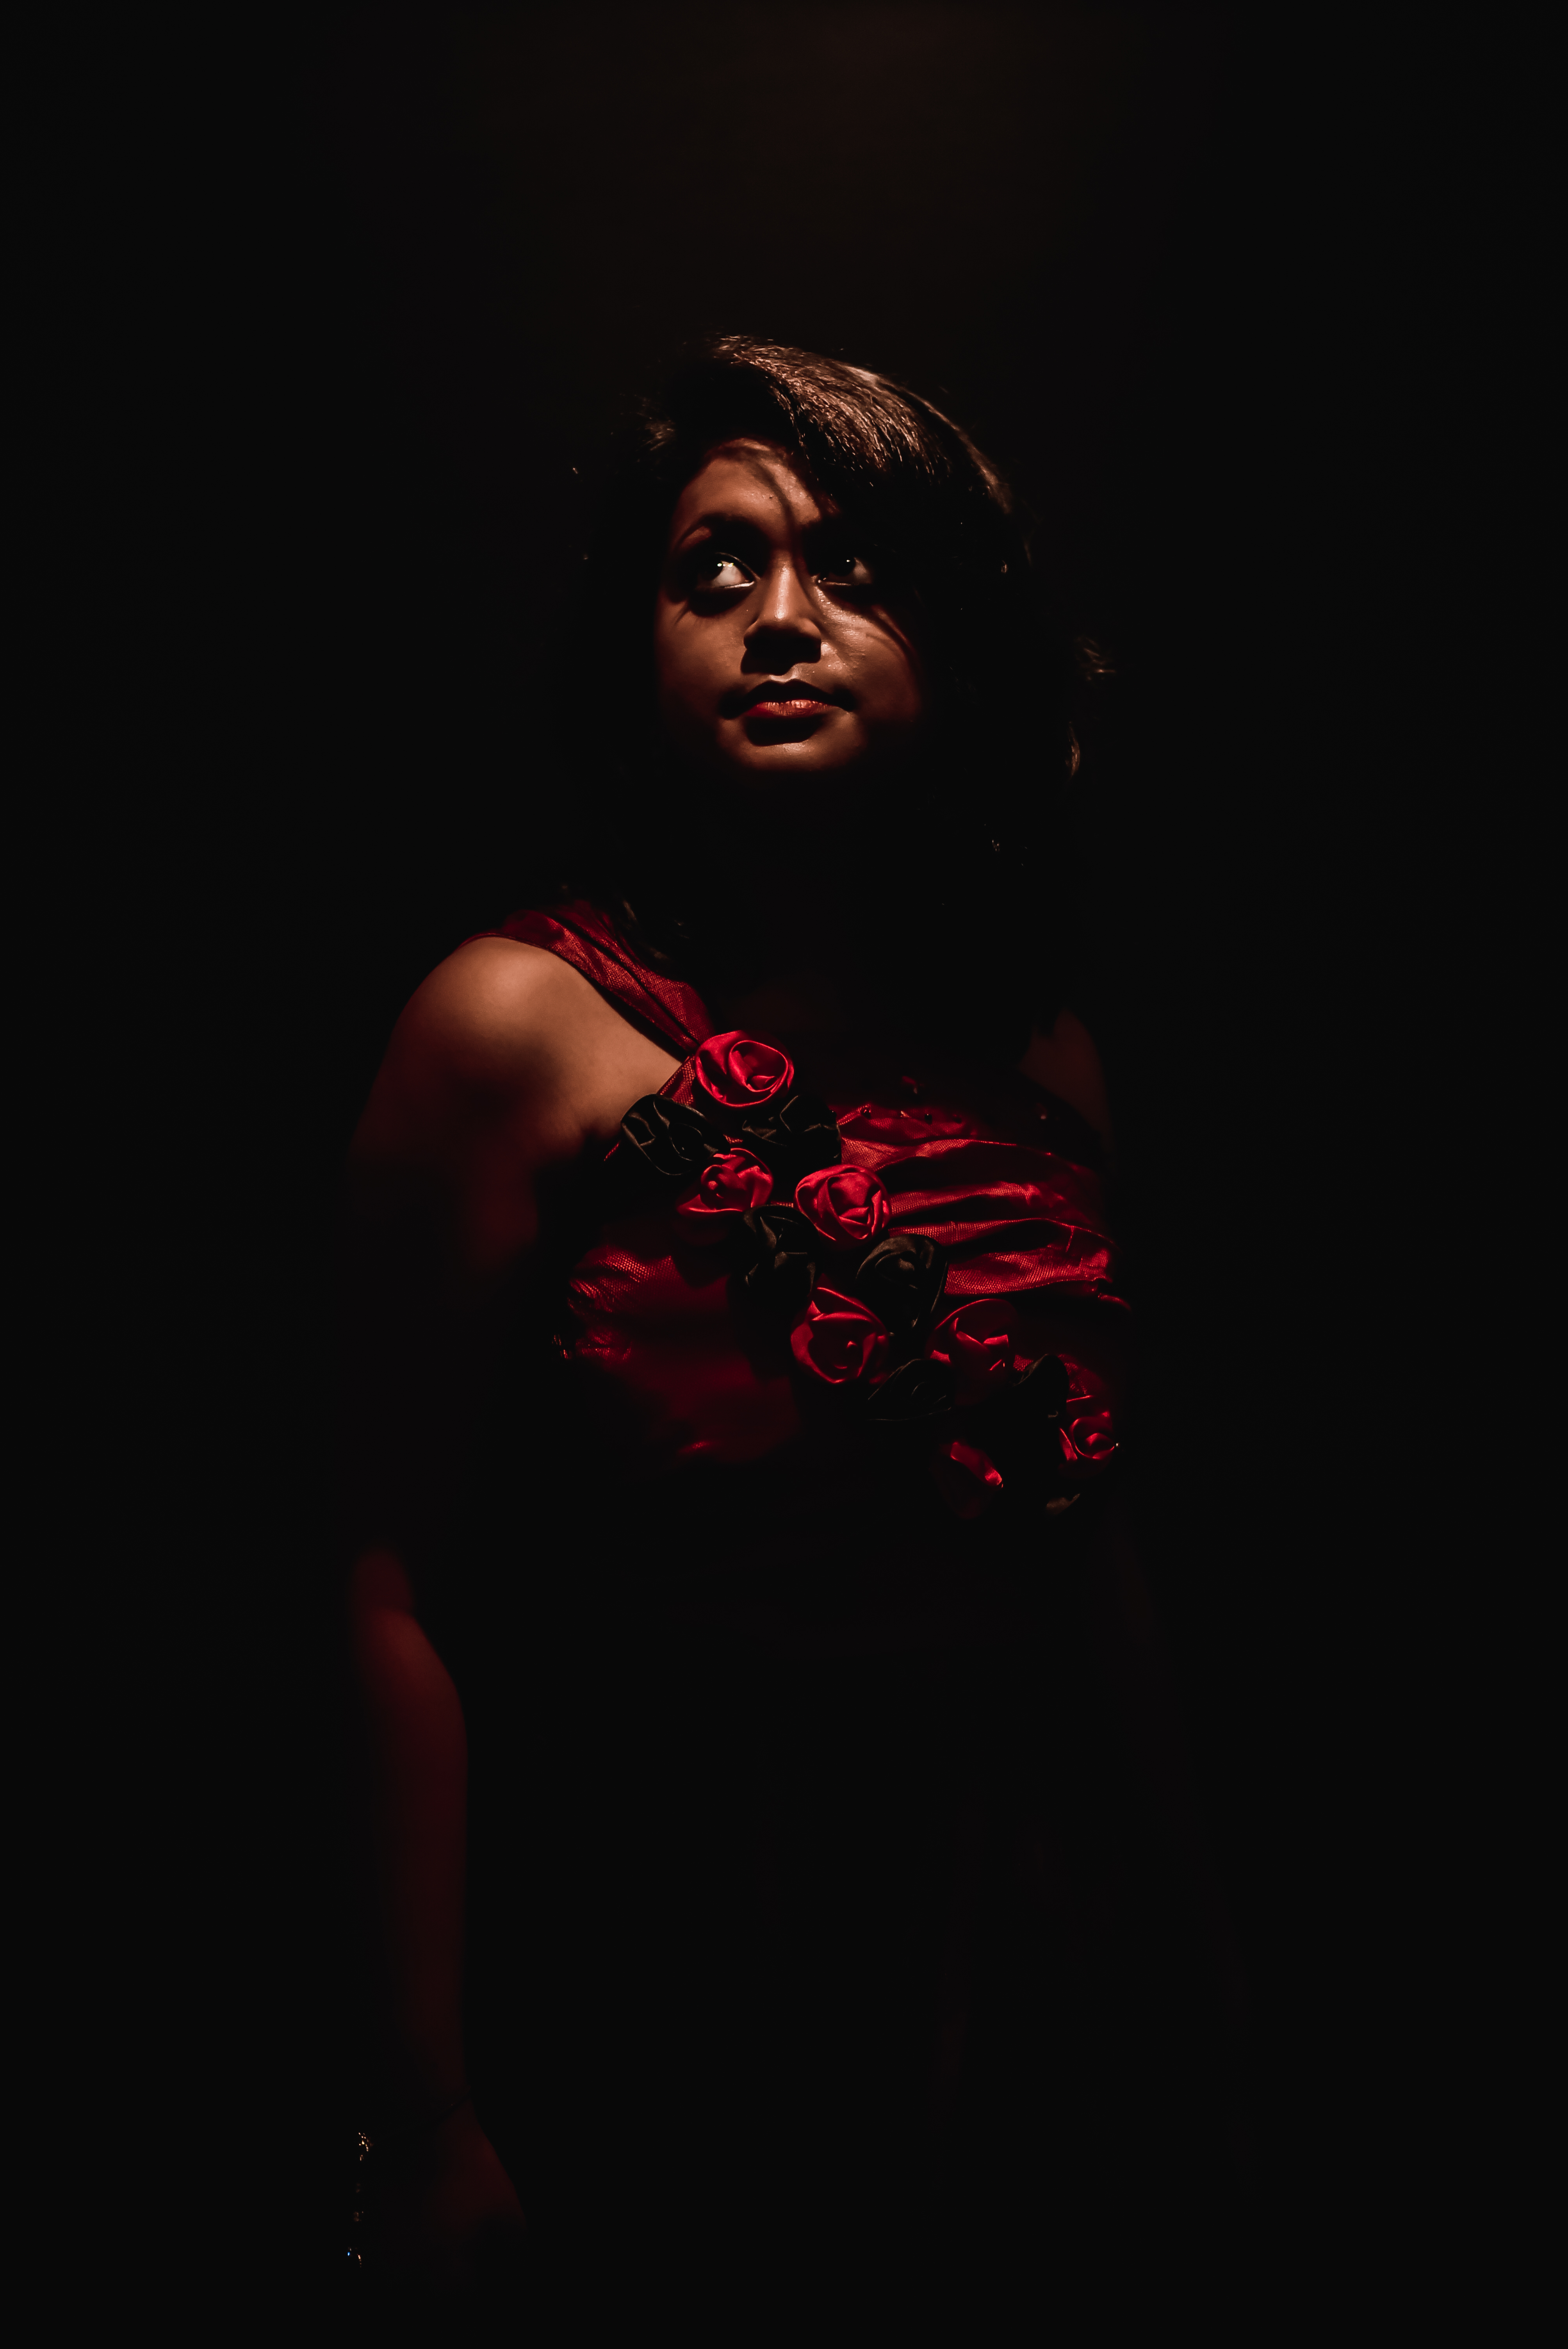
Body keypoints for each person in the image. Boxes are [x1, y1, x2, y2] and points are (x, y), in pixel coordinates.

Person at [337, 337, 1243, 2320]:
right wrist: (422, 2103)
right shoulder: (508, 1029)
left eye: (847, 566)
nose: (776, 618)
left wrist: (1225, 2007)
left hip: (1037, 1949)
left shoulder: (1042, 1062)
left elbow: (1098, 1576)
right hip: (673, 1935)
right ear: (635, 655)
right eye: (714, 570)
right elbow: (369, 1571)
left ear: (955, 639)